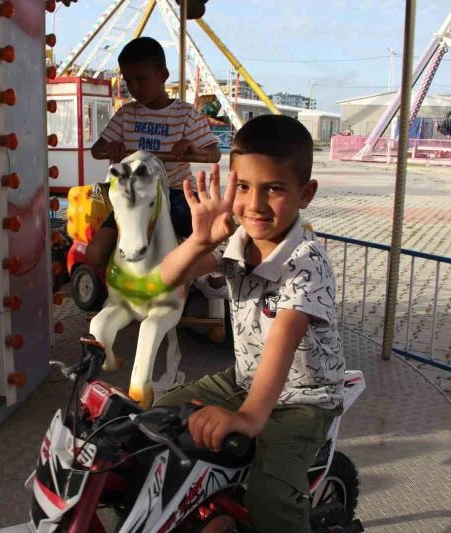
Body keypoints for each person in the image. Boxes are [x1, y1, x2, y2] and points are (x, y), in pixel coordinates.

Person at [156, 114, 345, 533]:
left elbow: (284, 340)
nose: (255, 205)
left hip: (303, 396)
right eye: (243, 187)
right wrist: (199, 240)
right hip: (245, 377)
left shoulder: (307, 263)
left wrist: (248, 418)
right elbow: (168, 278)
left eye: (273, 189)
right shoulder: (235, 242)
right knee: (158, 416)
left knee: (272, 492)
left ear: (305, 193)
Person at [87, 36, 221, 269]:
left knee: (202, 237)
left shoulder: (185, 114)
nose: (135, 88)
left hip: (175, 192)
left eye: (141, 79)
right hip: (132, 192)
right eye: (129, 81)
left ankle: (208, 278)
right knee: (96, 253)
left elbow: (214, 154)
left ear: (163, 75)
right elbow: (97, 149)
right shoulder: (126, 114)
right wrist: (110, 147)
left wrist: (191, 147)